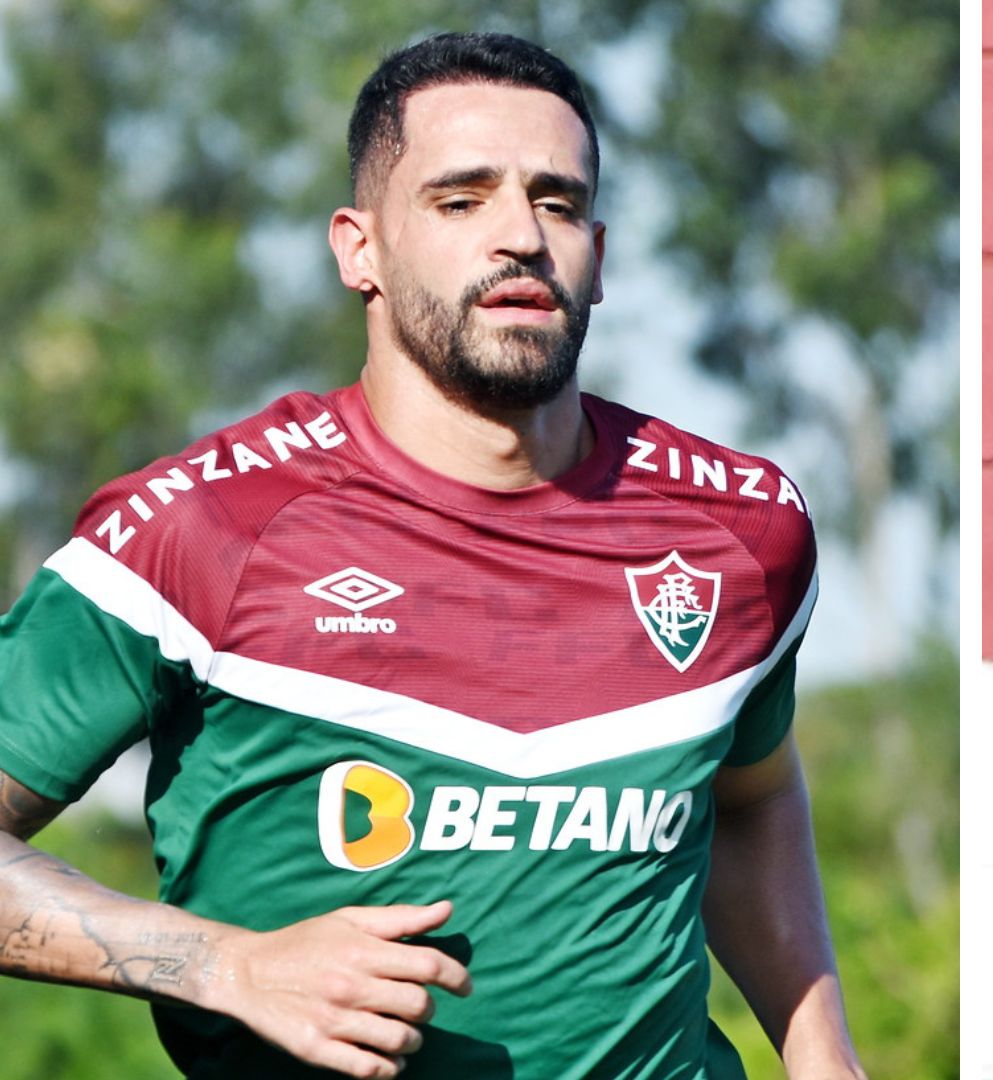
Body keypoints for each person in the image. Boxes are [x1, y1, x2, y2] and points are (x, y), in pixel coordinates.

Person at [0, 31, 864, 1080]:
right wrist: (225, 967)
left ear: (602, 250)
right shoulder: (203, 529)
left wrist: (823, 1056)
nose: (520, 236)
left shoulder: (742, 531)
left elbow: (752, 793)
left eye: (555, 201)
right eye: (461, 201)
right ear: (359, 248)